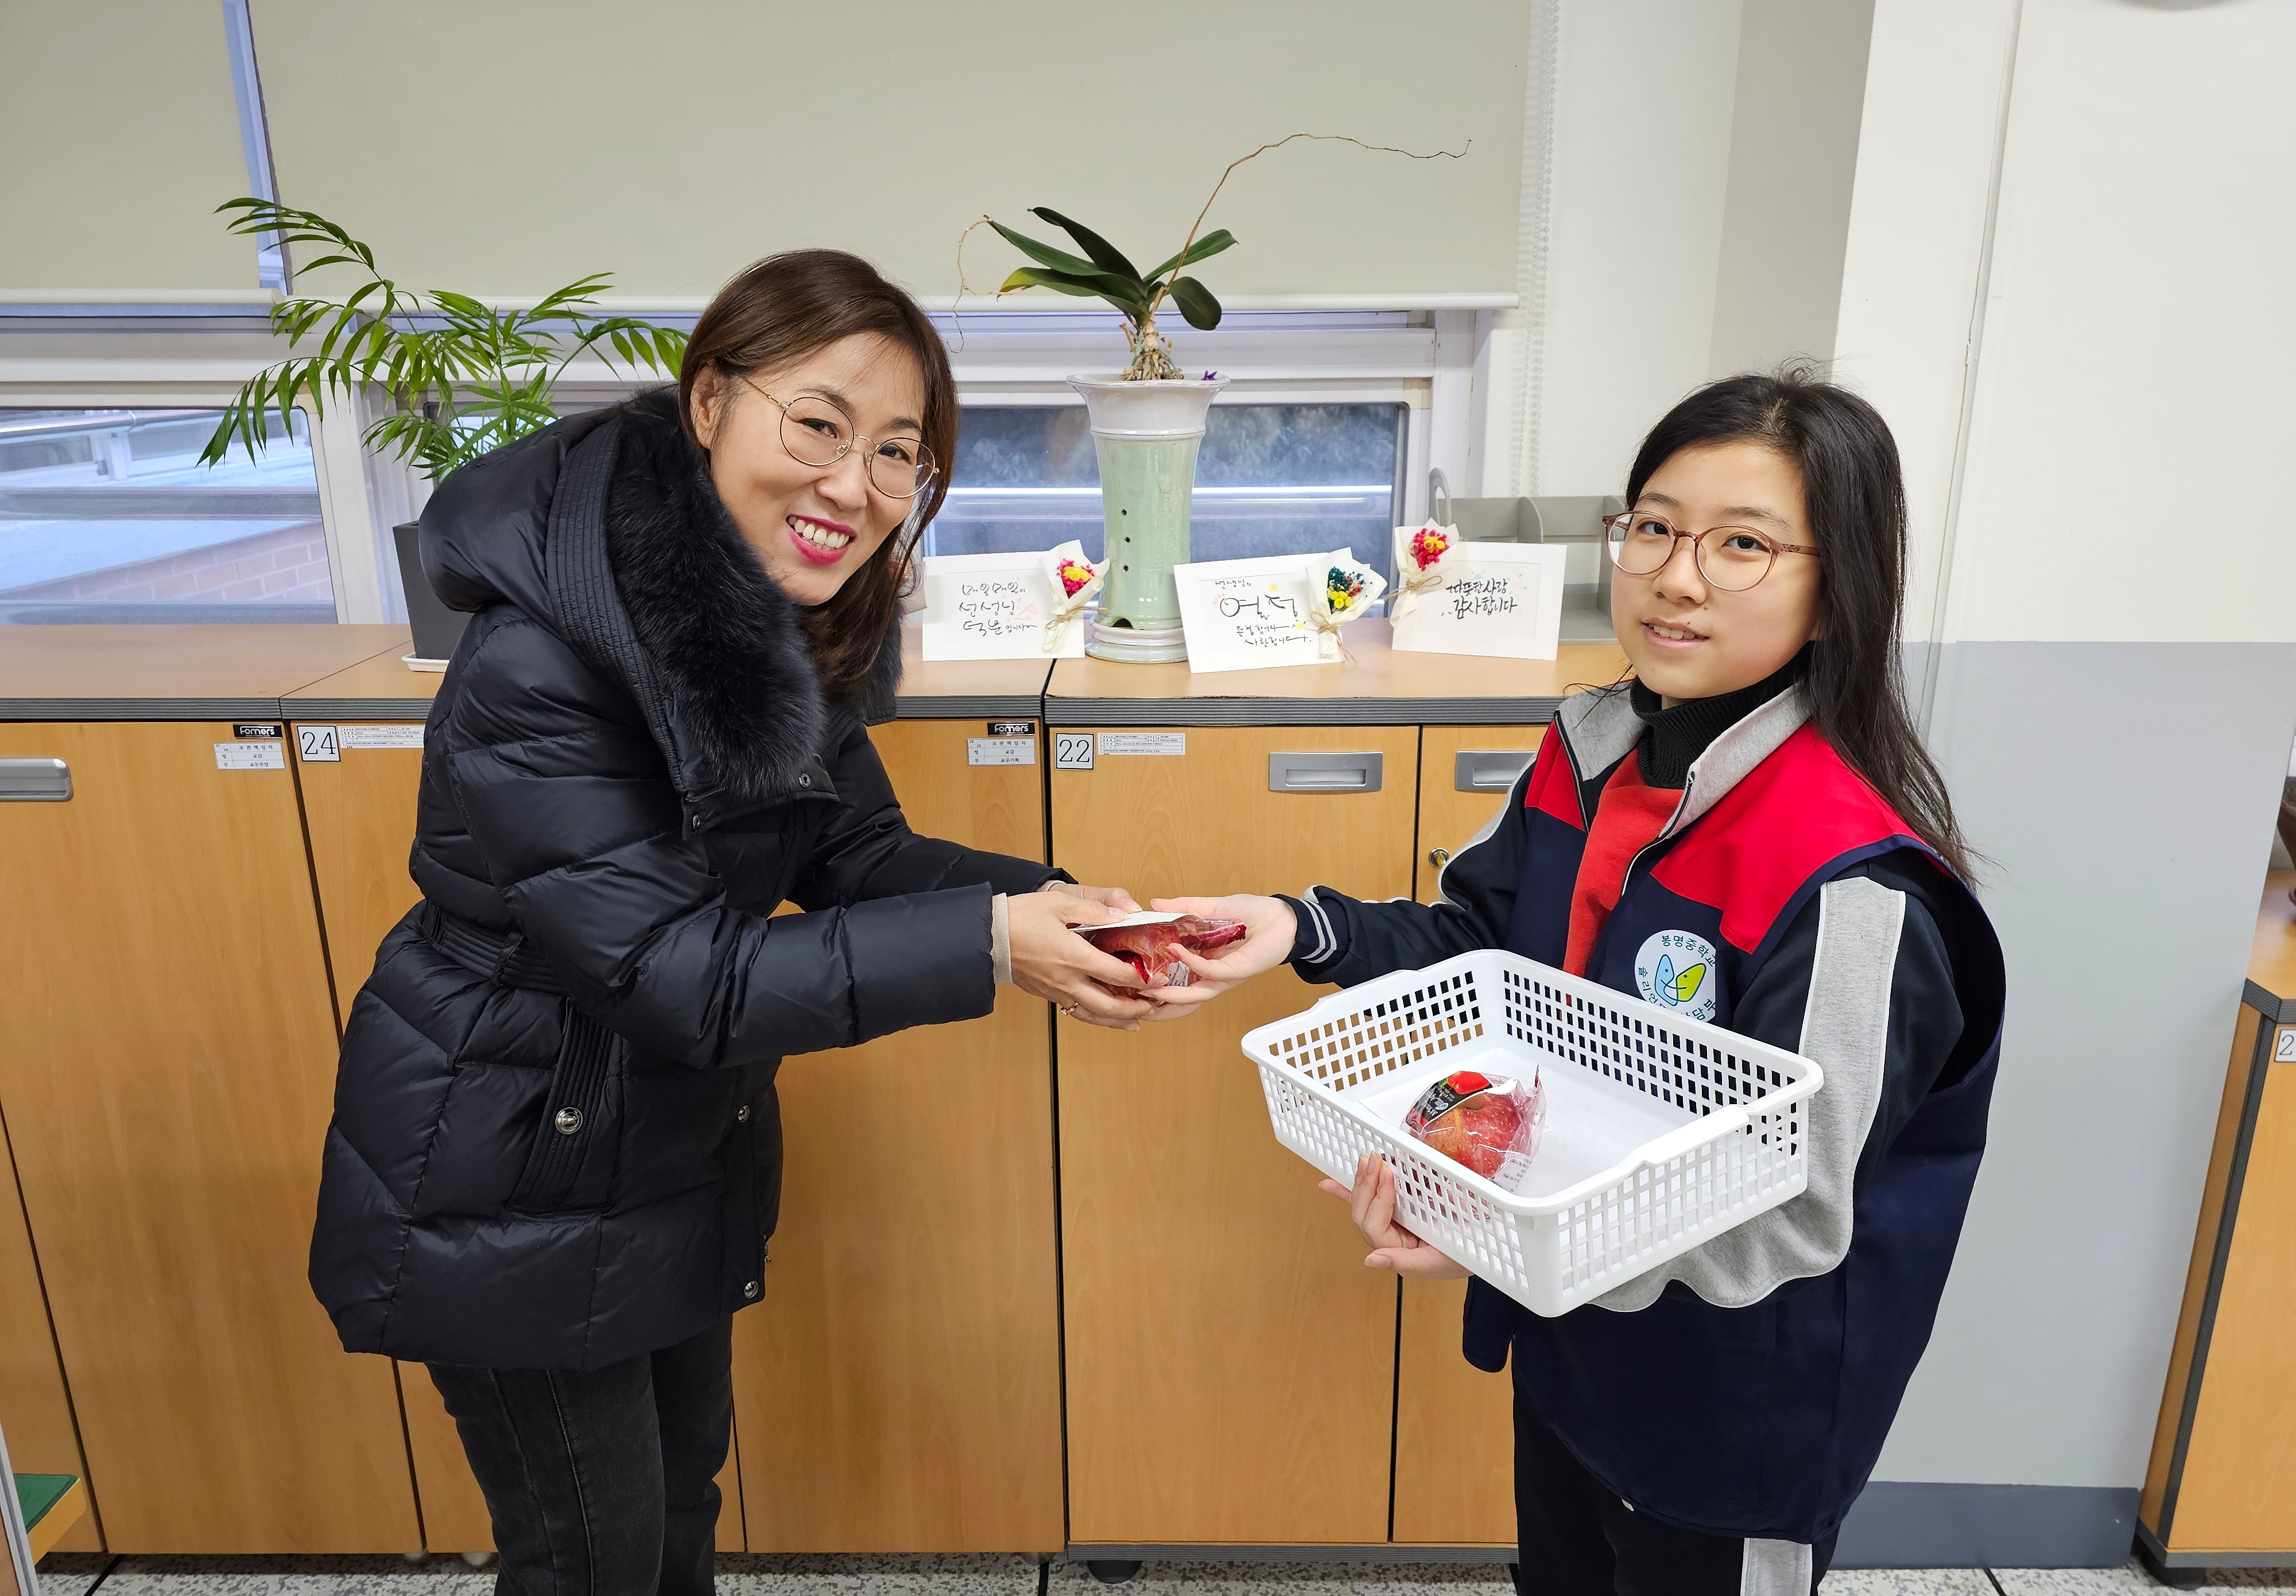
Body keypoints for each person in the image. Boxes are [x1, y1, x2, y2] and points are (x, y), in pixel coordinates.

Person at [307, 250, 1194, 1596]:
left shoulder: (769, 620)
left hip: (663, 1141)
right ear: (710, 400)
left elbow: (854, 849)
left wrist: (1056, 907)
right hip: (510, 1159)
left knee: (677, 1510)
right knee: (590, 1560)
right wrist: (988, 946)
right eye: (819, 424)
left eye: (896, 452)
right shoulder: (544, 654)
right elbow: (677, 972)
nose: (854, 484)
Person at [1158, 370, 2006, 1594]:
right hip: (1571, 1351)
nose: (1676, 577)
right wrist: (1296, 927)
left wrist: (1498, 1239)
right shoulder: (1589, 752)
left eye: (1743, 545)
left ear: (1837, 592)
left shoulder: (1850, 883)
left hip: (1731, 1416)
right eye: (1654, 526)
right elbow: (1481, 952)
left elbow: (1789, 1209)